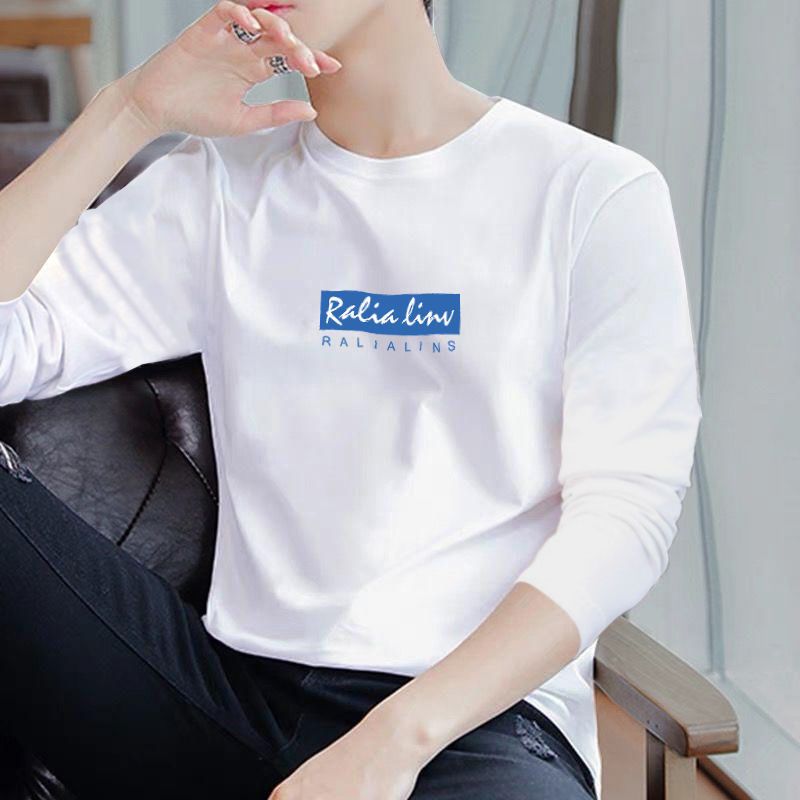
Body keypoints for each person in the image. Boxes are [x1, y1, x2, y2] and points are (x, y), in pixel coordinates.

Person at [0, 1, 702, 798]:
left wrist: (394, 742)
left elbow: (627, 514)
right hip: (226, 695)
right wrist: (128, 112)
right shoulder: (221, 184)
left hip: (469, 726)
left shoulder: (590, 192)